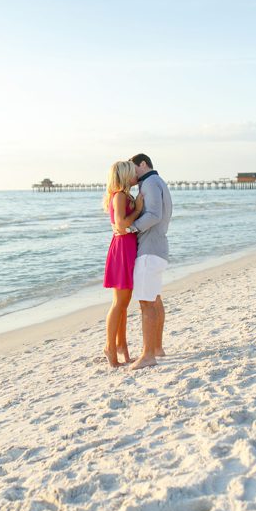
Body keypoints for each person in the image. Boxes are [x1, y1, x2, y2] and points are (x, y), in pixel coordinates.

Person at [120, 153, 172, 370]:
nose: (132, 173)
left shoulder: (149, 182)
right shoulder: (159, 182)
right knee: (155, 299)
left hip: (150, 251)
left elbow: (154, 215)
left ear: (143, 164)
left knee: (146, 303)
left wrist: (129, 228)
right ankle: (157, 348)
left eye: (134, 168)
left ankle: (148, 355)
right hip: (158, 248)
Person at [102, 160, 143, 367]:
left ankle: (122, 347)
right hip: (122, 249)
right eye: (133, 173)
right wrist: (138, 210)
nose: (136, 175)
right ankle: (110, 347)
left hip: (127, 246)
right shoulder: (119, 196)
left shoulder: (125, 196)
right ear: (125, 176)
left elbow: (125, 225)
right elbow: (120, 224)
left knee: (124, 304)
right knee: (119, 303)